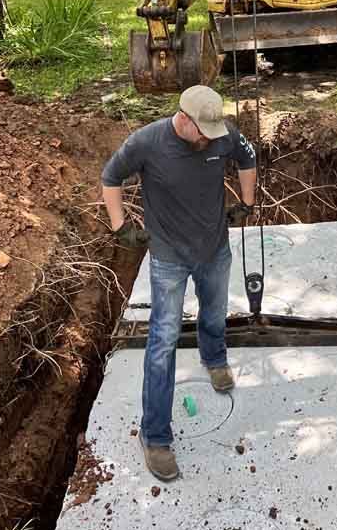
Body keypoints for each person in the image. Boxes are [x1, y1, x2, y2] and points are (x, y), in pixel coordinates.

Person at [101, 85, 257, 480]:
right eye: (201, 130)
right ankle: (154, 437)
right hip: (169, 258)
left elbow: (246, 156)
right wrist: (121, 227)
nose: (208, 138)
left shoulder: (221, 135)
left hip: (214, 249)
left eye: (212, 131)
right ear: (183, 119)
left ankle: (214, 357)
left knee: (216, 309)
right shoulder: (147, 142)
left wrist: (247, 202)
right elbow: (111, 176)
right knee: (162, 343)